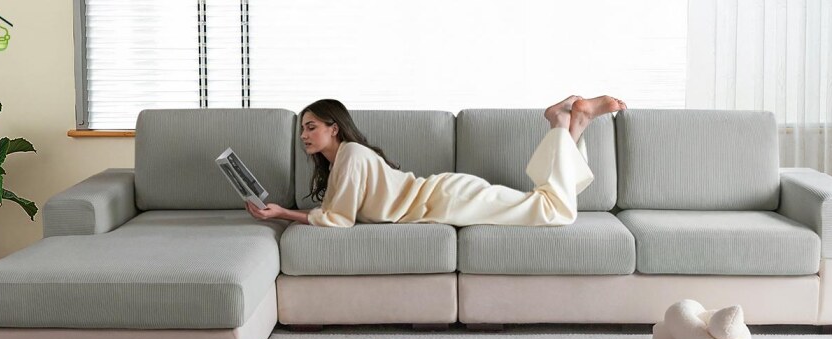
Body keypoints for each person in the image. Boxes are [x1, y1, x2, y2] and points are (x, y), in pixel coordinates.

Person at [245, 95, 626, 227]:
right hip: (446, 197)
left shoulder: (352, 154)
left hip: (449, 199)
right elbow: (336, 212)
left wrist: (283, 214)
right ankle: (573, 125)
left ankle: (563, 123)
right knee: (547, 205)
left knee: (554, 211)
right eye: (302, 128)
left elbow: (337, 220)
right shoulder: (346, 159)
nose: (304, 135)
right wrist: (283, 212)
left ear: (334, 128)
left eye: (311, 127)